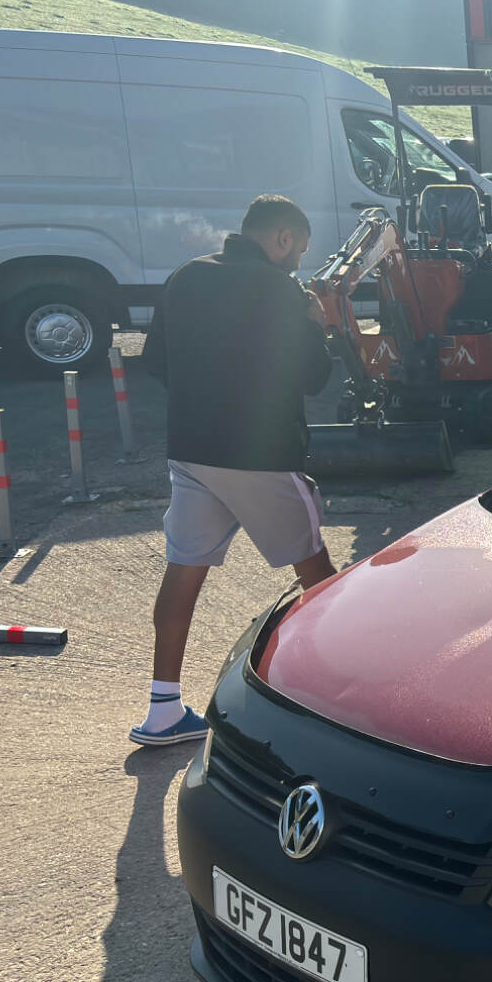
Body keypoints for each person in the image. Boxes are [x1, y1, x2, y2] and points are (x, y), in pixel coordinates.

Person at [130, 195, 336, 746]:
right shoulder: (281, 289)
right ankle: (339, 698)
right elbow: (314, 377)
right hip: (261, 454)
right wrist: (317, 324)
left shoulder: (185, 276)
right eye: (298, 251)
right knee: (317, 570)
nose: (297, 263)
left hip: (191, 449)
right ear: (283, 238)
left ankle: (162, 709)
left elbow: (154, 362)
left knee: (184, 568)